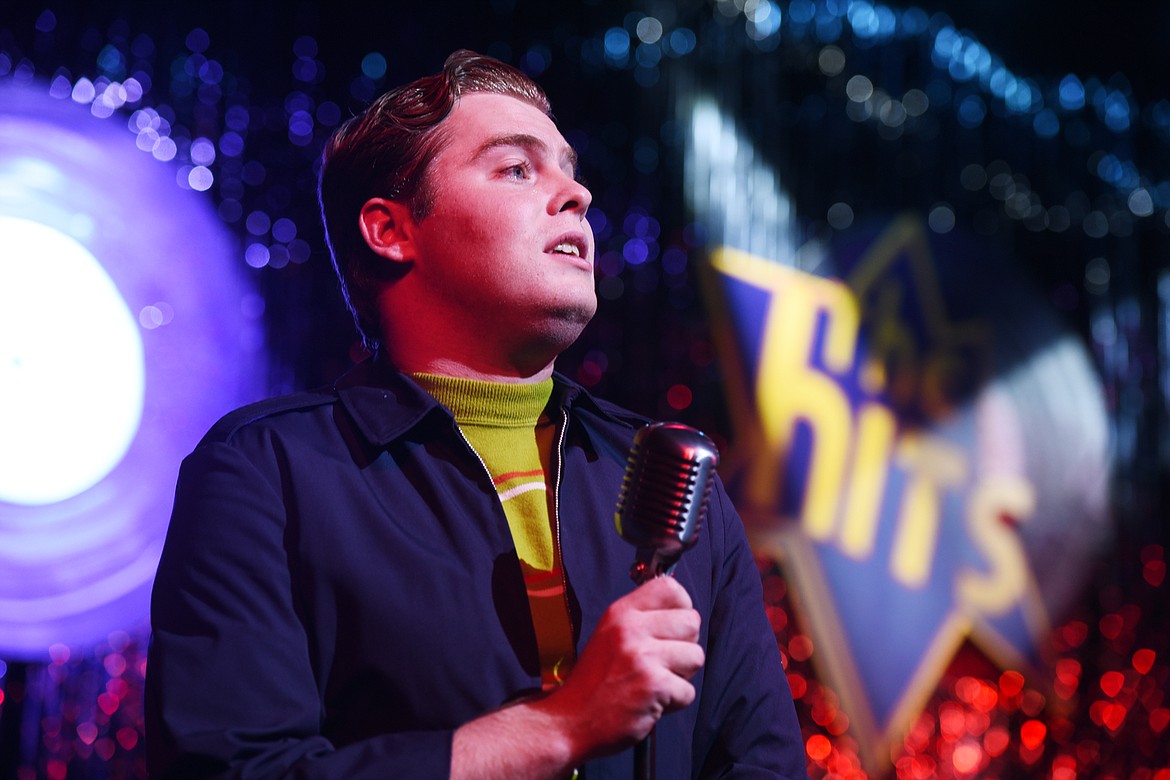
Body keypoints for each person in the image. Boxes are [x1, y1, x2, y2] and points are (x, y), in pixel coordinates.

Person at [145, 49, 807, 779]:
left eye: (568, 167)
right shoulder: (266, 471)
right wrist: (558, 728)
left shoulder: (669, 476)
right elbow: (233, 768)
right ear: (390, 230)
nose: (576, 194)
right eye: (517, 169)